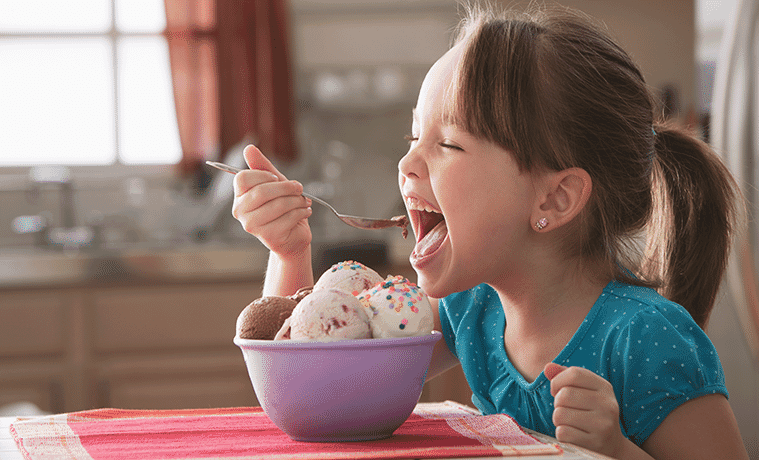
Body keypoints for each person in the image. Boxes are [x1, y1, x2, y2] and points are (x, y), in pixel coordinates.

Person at [231, 4, 749, 459]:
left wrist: (616, 451)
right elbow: (322, 396)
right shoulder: (472, 311)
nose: (408, 161)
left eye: (448, 145)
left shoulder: (647, 339)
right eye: (415, 135)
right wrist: (290, 254)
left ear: (555, 198)